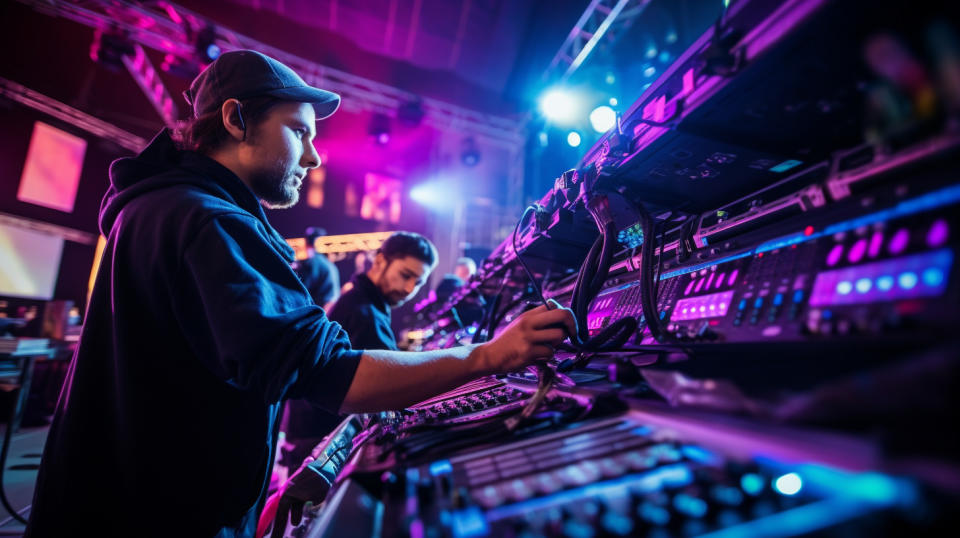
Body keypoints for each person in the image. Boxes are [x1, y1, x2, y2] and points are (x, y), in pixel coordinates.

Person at [26, 50, 574, 537]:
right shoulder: (206, 219)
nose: (312, 158)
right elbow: (330, 374)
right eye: (300, 133)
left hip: (113, 504)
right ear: (236, 120)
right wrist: (490, 356)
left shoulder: (159, 207)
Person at [327, 232, 437, 350]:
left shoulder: (358, 299)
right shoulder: (366, 316)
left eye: (418, 283)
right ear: (379, 261)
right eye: (405, 275)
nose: (409, 289)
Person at [291, 226, 340, 310]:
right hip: (327, 314)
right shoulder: (331, 266)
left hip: (316, 313)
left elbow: (301, 291)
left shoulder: (310, 264)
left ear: (306, 244)